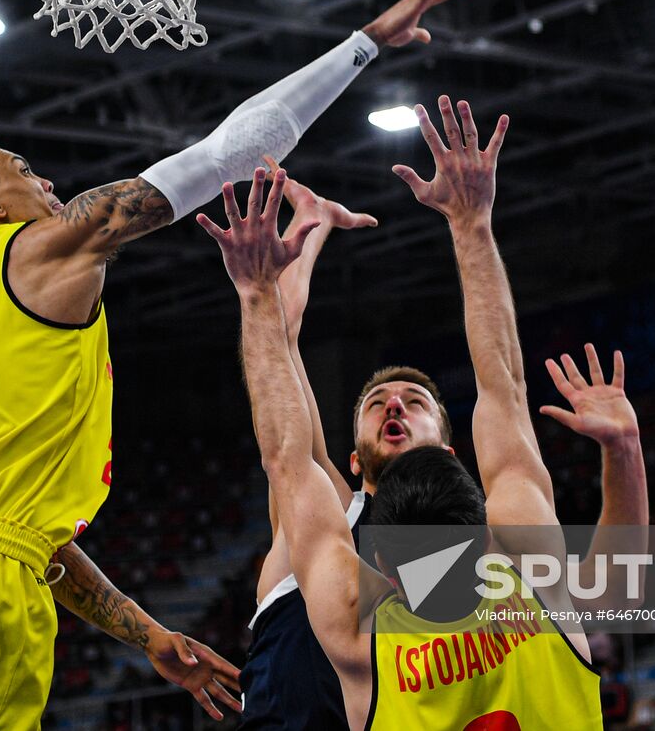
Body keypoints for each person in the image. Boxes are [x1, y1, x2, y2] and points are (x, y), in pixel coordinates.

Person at [0, 0, 472, 731]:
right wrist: (364, 44)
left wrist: (146, 632)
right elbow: (223, 154)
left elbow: (9, 527)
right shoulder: (38, 249)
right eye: (25, 173)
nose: (48, 182)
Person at [200, 102, 623, 728]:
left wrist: (256, 290)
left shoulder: (357, 609)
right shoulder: (527, 573)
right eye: (376, 403)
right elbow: (289, 407)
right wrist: (470, 223)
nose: (394, 404)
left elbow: (284, 444)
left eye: (415, 402)